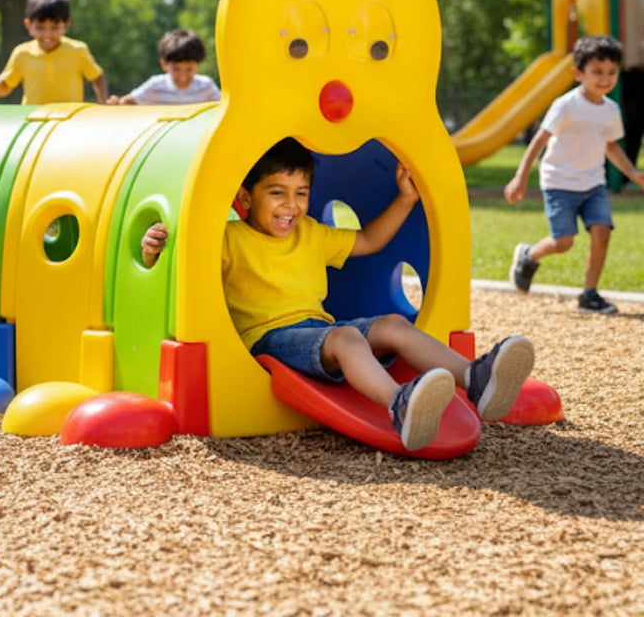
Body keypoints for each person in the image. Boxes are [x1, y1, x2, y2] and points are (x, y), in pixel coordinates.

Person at [141, 137, 535, 452]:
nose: (290, 206)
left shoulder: (310, 232)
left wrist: (406, 199)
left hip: (317, 330)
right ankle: (399, 404)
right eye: (276, 192)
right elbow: (184, 271)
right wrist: (154, 249)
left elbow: (368, 240)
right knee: (346, 337)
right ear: (245, 198)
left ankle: (475, 378)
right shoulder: (229, 239)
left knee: (393, 325)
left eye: (301, 192)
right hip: (268, 339)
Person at [505, 34, 644, 315]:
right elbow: (539, 141)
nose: (605, 79)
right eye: (597, 72)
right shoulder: (566, 105)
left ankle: (589, 295)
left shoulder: (610, 110)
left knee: (602, 231)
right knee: (563, 242)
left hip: (592, 182)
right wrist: (520, 177)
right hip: (559, 182)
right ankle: (528, 255)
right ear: (578, 73)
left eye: (611, 72)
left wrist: (632, 172)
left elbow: (610, 146)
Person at [0, 0, 108, 105]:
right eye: (40, 27)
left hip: (68, 122)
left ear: (66, 25)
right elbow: (5, 87)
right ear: (28, 25)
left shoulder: (78, 50)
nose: (47, 34)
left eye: (54, 27)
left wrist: (103, 105)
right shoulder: (22, 53)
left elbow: (97, 77)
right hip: (34, 122)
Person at [108, 29, 221, 105]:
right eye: (176, 69)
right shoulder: (156, 86)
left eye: (189, 69)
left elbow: (226, 108)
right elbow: (129, 101)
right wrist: (116, 102)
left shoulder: (206, 87)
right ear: (164, 65)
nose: (182, 77)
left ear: (198, 65)